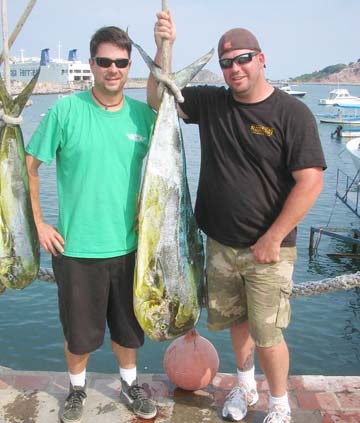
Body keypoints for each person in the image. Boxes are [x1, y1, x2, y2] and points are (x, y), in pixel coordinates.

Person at [148, 12, 326, 423]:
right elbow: (159, 100)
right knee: (237, 326)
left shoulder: (291, 114)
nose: (235, 69)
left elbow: (310, 183)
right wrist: (161, 47)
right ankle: (245, 389)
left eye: (243, 59)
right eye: (227, 63)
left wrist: (273, 237)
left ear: (261, 59)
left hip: (269, 251)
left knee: (268, 334)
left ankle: (279, 405)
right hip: (220, 245)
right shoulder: (212, 103)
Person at [26, 26, 157, 423]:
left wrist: (165, 43)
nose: (112, 69)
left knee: (128, 332)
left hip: (133, 246)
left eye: (120, 62)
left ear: (129, 65)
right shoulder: (65, 111)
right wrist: (39, 224)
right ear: (92, 64)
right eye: (104, 62)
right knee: (79, 336)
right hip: (76, 249)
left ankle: (130, 384)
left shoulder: (144, 116)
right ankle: (77, 390)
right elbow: (30, 168)